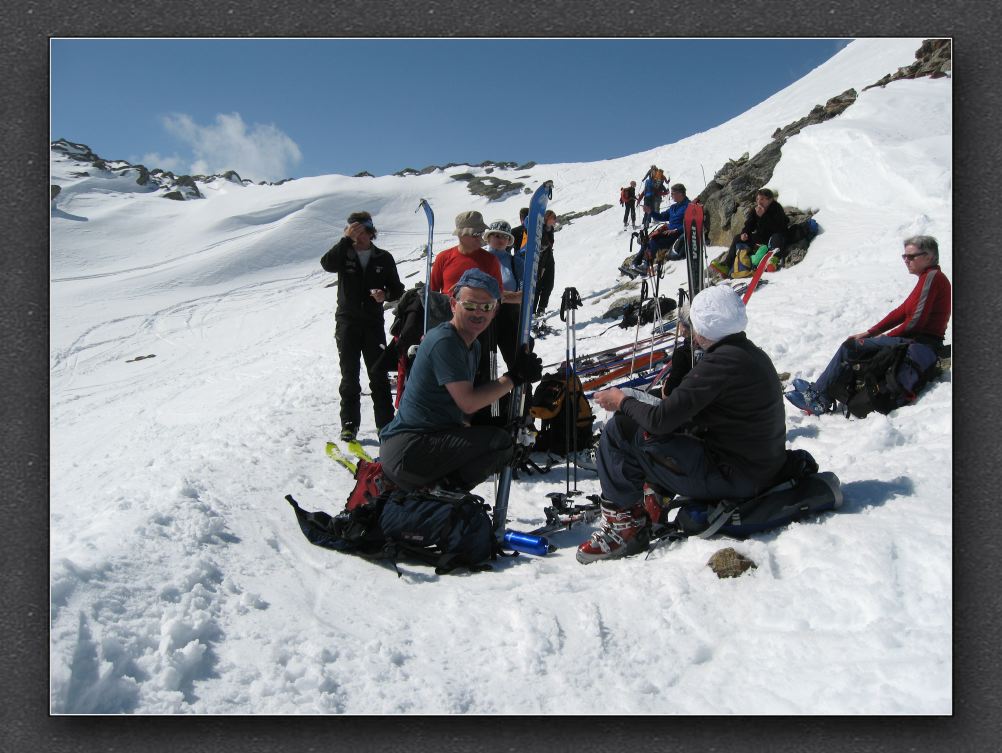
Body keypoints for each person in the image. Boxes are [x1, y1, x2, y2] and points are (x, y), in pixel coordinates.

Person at [578, 285, 786, 563]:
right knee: (649, 424)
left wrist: (621, 401)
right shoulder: (747, 353)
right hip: (755, 467)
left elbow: (661, 420)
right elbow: (685, 409)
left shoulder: (720, 364)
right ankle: (655, 496)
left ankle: (622, 529)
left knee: (620, 430)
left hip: (735, 476)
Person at [378, 268, 543, 492]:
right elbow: (468, 402)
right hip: (410, 449)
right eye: (470, 305)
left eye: (486, 307)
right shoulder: (445, 341)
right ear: (454, 305)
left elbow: (464, 412)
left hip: (426, 442)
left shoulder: (471, 345)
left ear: (495, 311)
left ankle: (440, 498)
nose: (479, 313)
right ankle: (440, 497)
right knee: (499, 444)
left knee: (499, 435)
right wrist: (515, 377)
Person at [787, 235, 951, 416]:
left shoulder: (933, 277)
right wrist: (870, 332)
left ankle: (819, 398)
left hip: (921, 344)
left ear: (928, 256)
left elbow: (915, 322)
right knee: (857, 345)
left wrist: (886, 337)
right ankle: (821, 390)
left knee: (850, 348)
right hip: (915, 342)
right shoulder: (927, 278)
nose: (906, 261)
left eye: (911, 256)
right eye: (904, 257)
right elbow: (902, 311)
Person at [320, 210, 405, 441]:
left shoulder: (383, 257)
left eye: (362, 231)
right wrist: (345, 240)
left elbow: (397, 289)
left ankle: (385, 425)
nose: (359, 236)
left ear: (370, 231)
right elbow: (326, 264)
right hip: (347, 321)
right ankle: (349, 424)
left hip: (373, 323)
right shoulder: (343, 254)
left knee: (377, 374)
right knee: (349, 375)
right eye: (353, 232)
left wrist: (384, 294)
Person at [715, 188, 788, 277]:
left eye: (762, 199)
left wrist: (763, 216)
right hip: (762, 237)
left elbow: (778, 227)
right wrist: (744, 233)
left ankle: (773, 260)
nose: (759, 202)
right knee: (737, 238)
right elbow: (749, 224)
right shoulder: (756, 210)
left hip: (775, 236)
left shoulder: (777, 208)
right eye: (757, 199)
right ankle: (727, 266)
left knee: (777, 237)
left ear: (770, 200)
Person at [484, 220, 524, 372]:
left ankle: (520, 393)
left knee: (515, 361)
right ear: (488, 238)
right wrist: (506, 295)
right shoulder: (479, 259)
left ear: (509, 241)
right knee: (483, 365)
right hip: (483, 315)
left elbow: (524, 295)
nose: (500, 239)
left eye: (505, 236)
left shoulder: (516, 262)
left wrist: (497, 296)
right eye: (496, 235)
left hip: (509, 317)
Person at [628, 183, 690, 273]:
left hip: (676, 234)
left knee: (654, 240)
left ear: (680, 194)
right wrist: (650, 212)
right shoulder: (673, 207)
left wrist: (676, 230)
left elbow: (689, 223)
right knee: (647, 239)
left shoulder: (688, 206)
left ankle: (646, 265)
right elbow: (662, 217)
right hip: (668, 233)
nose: (671, 195)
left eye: (673, 193)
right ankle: (635, 263)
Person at [532, 210, 557, 317]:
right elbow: (541, 247)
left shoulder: (550, 229)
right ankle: (532, 311)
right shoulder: (540, 230)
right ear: (547, 218)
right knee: (538, 286)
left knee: (549, 285)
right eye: (553, 218)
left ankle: (541, 308)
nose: (555, 220)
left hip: (549, 259)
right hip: (540, 260)